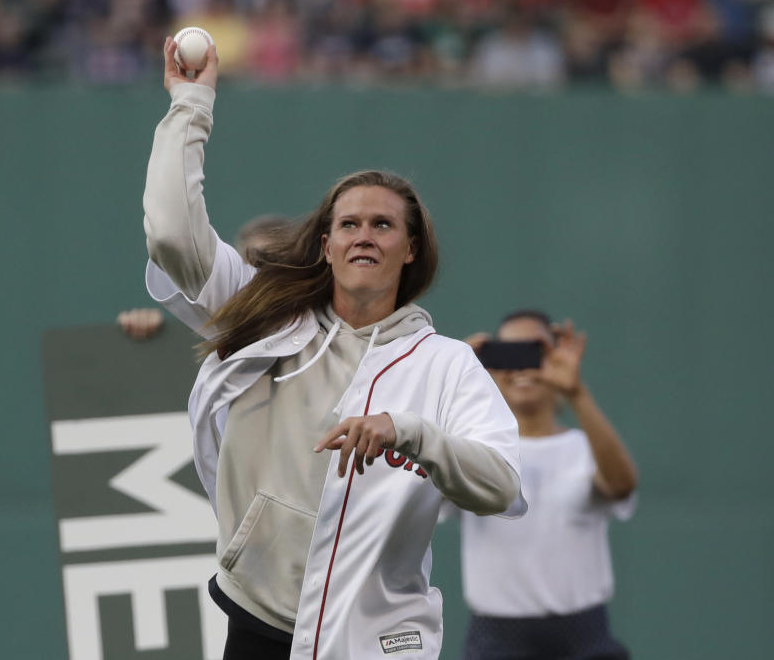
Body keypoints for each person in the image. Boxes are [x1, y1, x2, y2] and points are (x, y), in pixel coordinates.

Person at [141, 36, 526, 660]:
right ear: (325, 245)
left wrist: (412, 433)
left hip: (376, 642)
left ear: (411, 248)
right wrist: (191, 103)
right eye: (348, 224)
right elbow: (170, 235)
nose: (363, 236)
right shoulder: (265, 314)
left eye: (383, 225)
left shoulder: (445, 363)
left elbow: (504, 486)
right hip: (259, 623)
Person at [459, 310, 639, 660]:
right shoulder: (471, 453)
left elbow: (621, 486)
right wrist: (455, 382)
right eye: (507, 354)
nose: (522, 368)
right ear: (490, 366)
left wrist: (576, 392)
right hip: (496, 642)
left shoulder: (586, 449)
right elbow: (423, 479)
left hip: (585, 639)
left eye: (534, 353)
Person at [118, 214, 290, 339]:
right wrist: (145, 324)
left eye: (275, 261)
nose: (261, 275)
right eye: (255, 262)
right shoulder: (211, 312)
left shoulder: (314, 324)